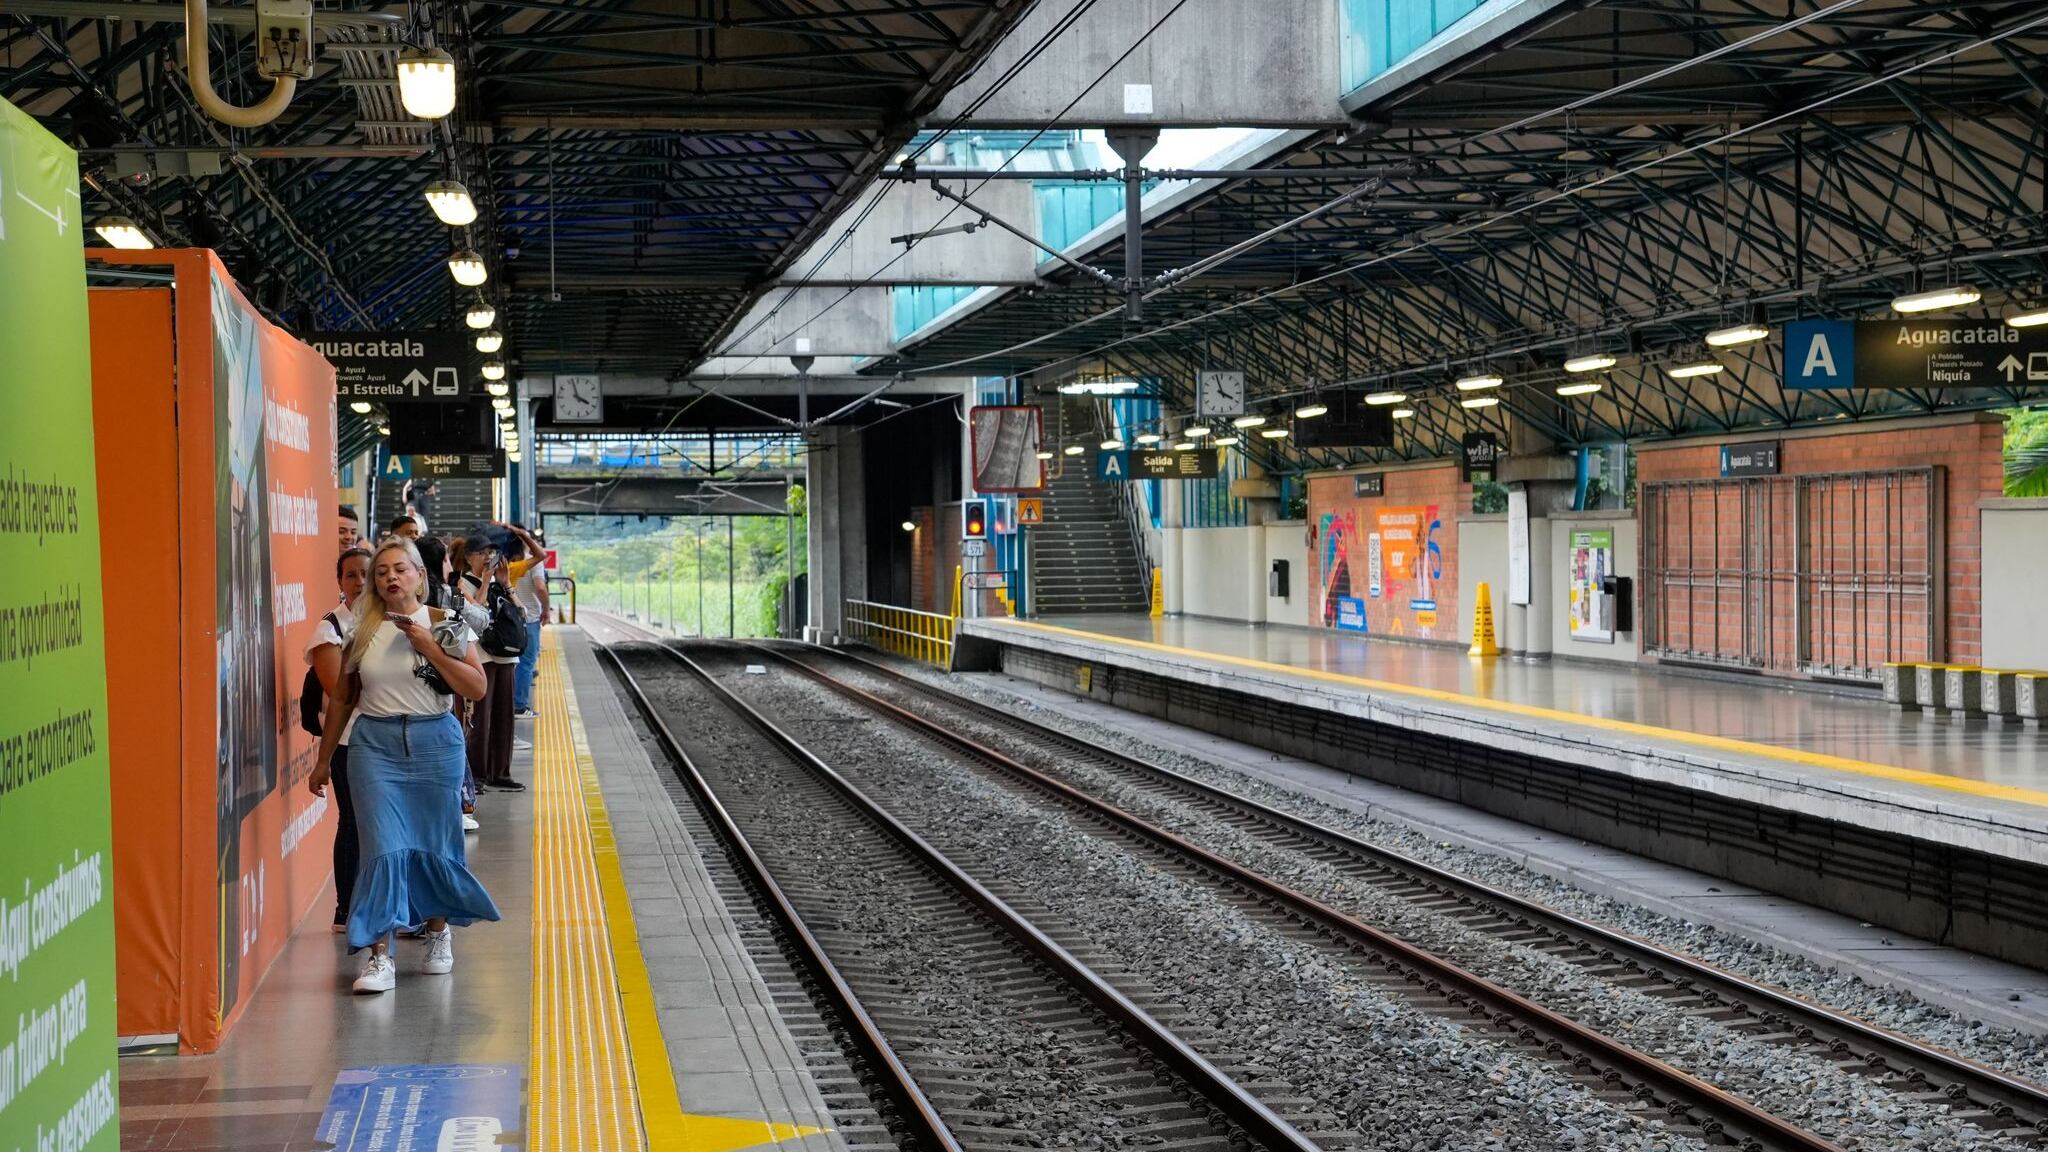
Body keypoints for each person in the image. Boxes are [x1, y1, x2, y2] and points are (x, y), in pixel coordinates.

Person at [309, 537, 498, 994]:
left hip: (435, 742)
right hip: (375, 745)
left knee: (436, 842)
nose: (391, 577)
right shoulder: (360, 629)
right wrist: (323, 759)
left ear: (420, 576)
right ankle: (379, 955)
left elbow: (475, 688)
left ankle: (437, 933)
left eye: (401, 569)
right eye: (381, 571)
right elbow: (342, 699)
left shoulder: (445, 624)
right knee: (382, 846)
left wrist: (430, 648)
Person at [308, 548, 370, 932]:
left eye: (367, 574)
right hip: (350, 743)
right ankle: (345, 907)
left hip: (388, 742)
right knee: (353, 823)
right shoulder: (329, 629)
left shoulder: (394, 622)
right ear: (339, 582)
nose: (360, 582)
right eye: (351, 575)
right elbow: (340, 692)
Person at [458, 534, 524, 793]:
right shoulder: (462, 583)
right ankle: (478, 773)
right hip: (481, 657)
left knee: (504, 716)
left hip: (505, 655)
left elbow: (520, 613)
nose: (488, 558)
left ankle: (501, 771)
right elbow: (478, 614)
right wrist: (485, 583)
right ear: (468, 557)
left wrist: (506, 585)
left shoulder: (499, 582)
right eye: (482, 553)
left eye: (491, 553)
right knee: (480, 718)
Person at [502, 524, 550, 716]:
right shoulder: (529, 563)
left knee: (512, 662)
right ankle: (519, 705)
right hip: (528, 617)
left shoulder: (502, 564)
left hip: (508, 619)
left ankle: (510, 702)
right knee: (526, 663)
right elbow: (539, 586)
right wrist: (546, 608)